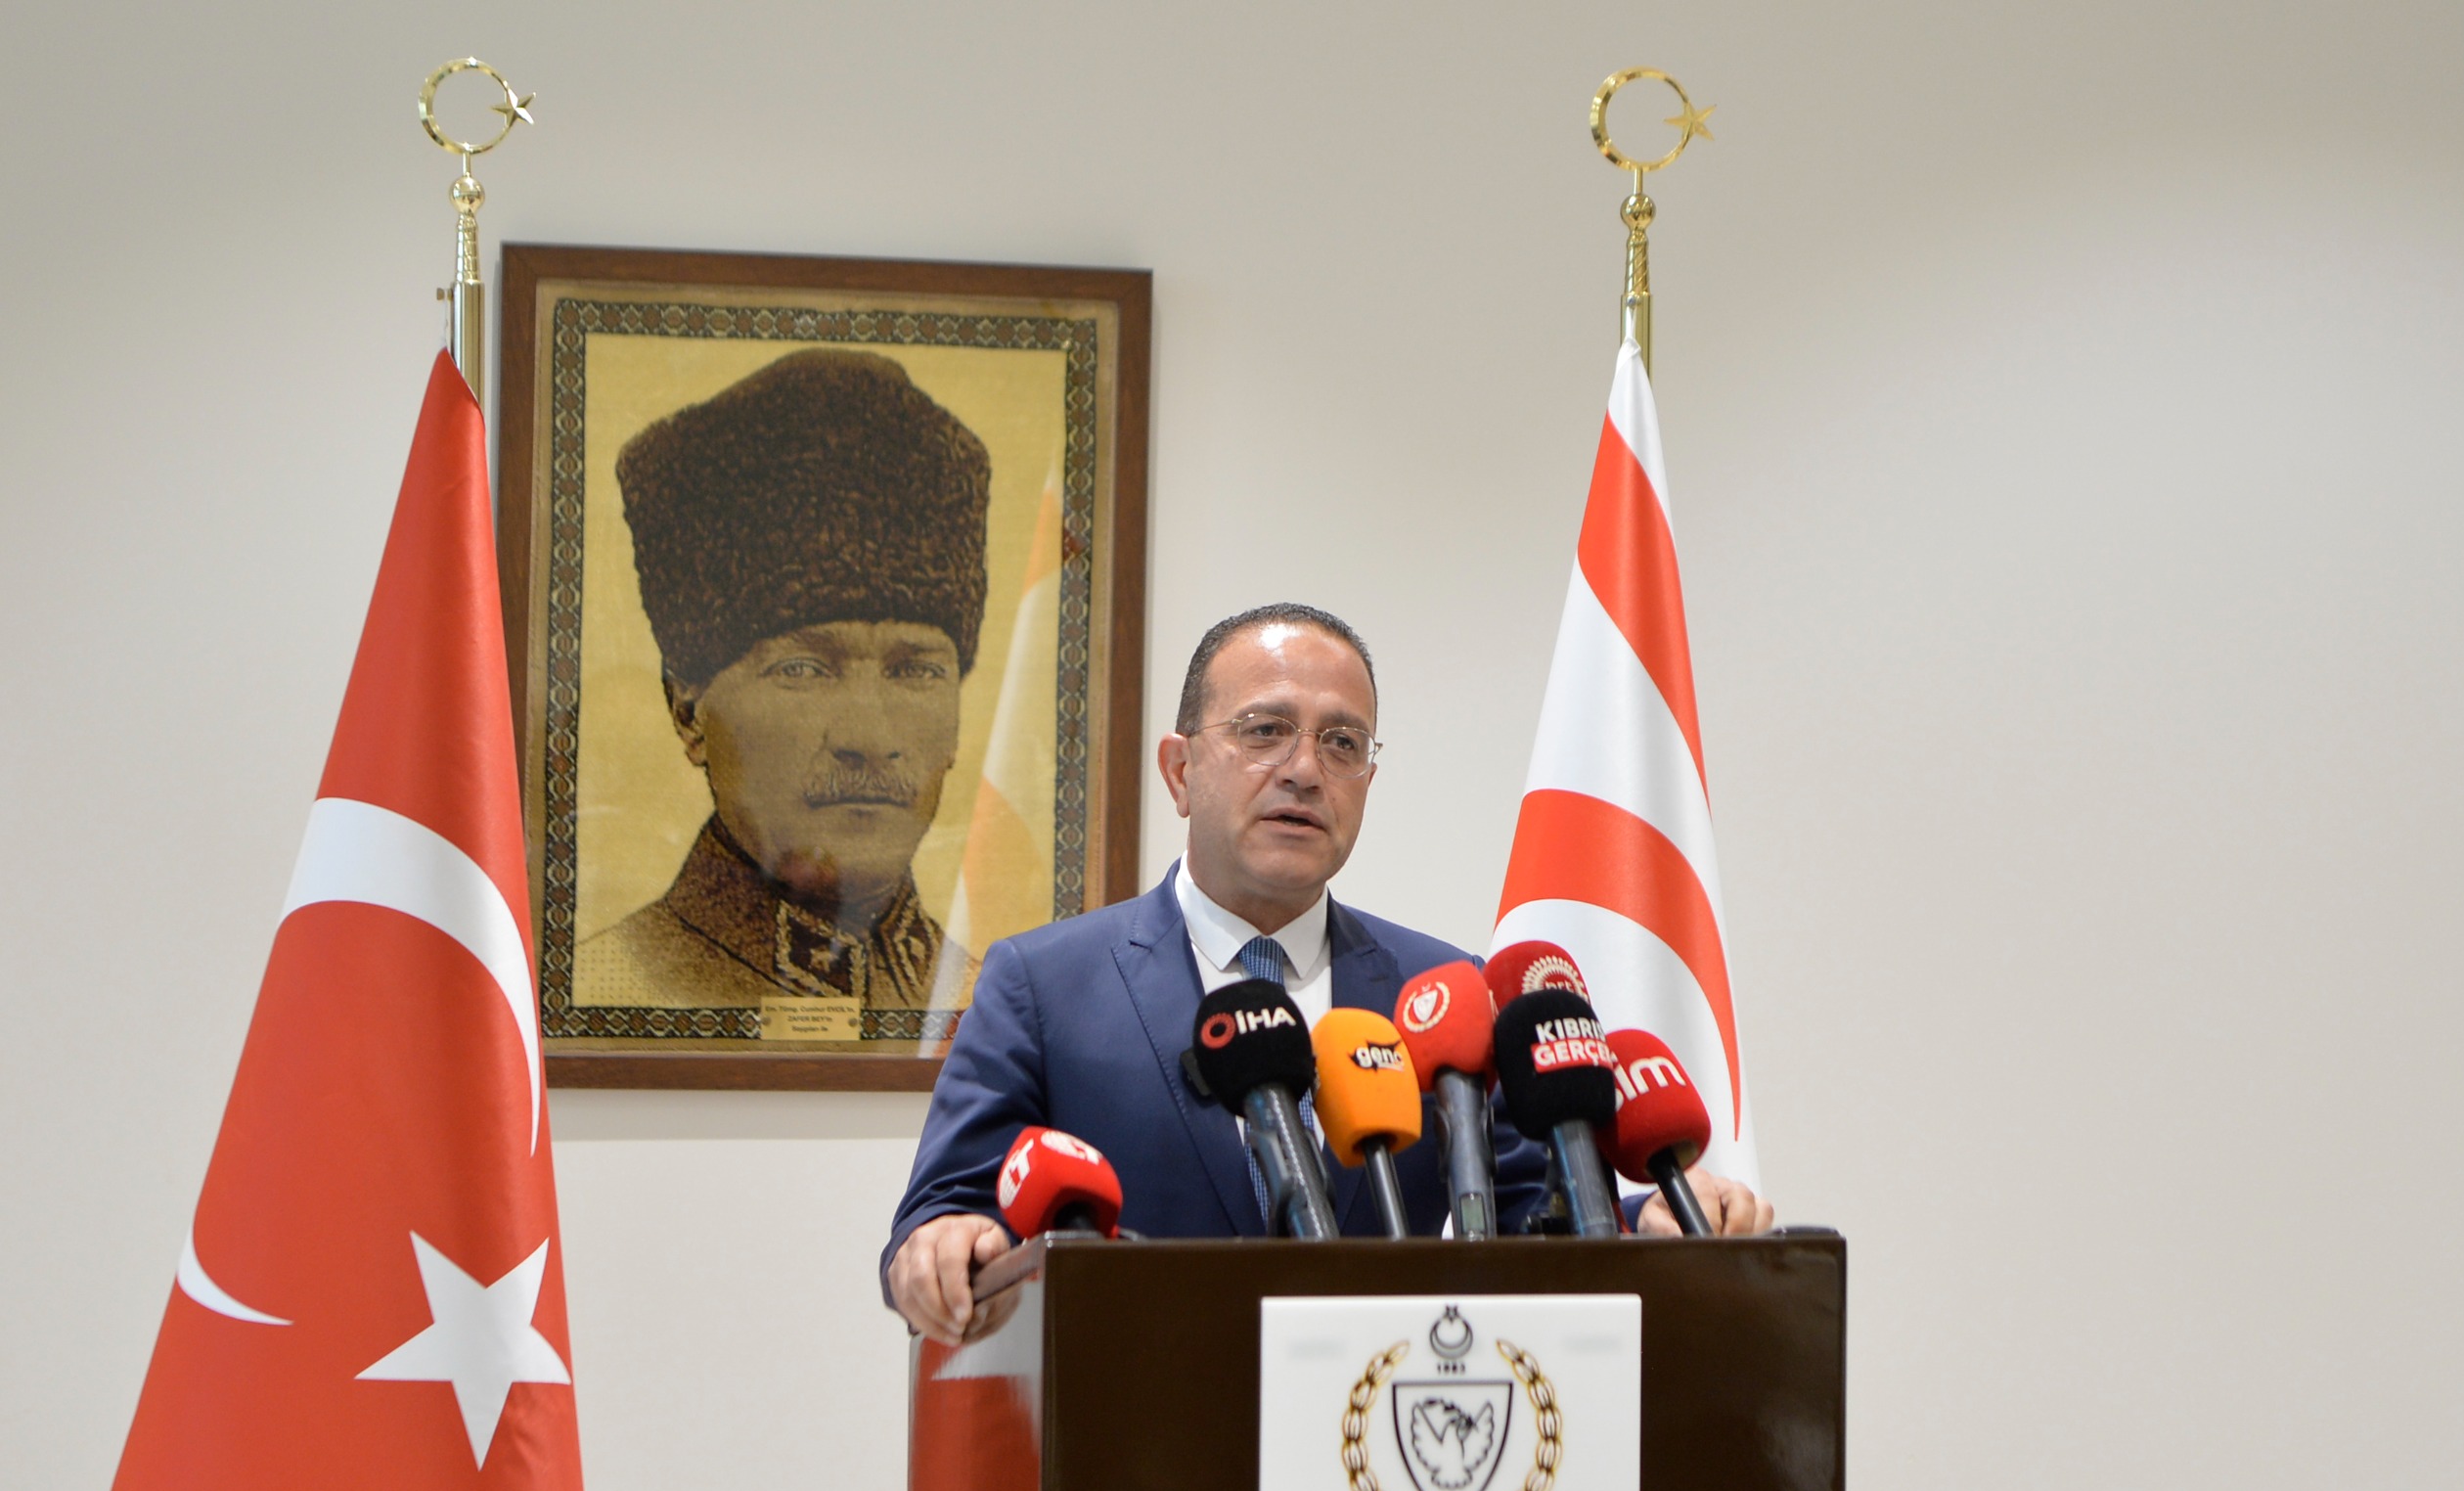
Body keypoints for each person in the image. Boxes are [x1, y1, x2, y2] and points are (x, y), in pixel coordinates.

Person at [884, 603, 1772, 1333]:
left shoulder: (1446, 996)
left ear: (1366, 784)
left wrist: (1649, 1219)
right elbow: (943, 1217)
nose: (1305, 770)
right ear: (1180, 770)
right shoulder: (1042, 985)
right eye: (1265, 730)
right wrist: (942, 1244)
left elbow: (1533, 1216)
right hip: (1139, 1454)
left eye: (1343, 744)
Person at [574, 348, 989, 1022]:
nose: (869, 738)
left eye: (915, 670)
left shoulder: (993, 1010)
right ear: (687, 709)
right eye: (803, 670)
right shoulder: (610, 986)